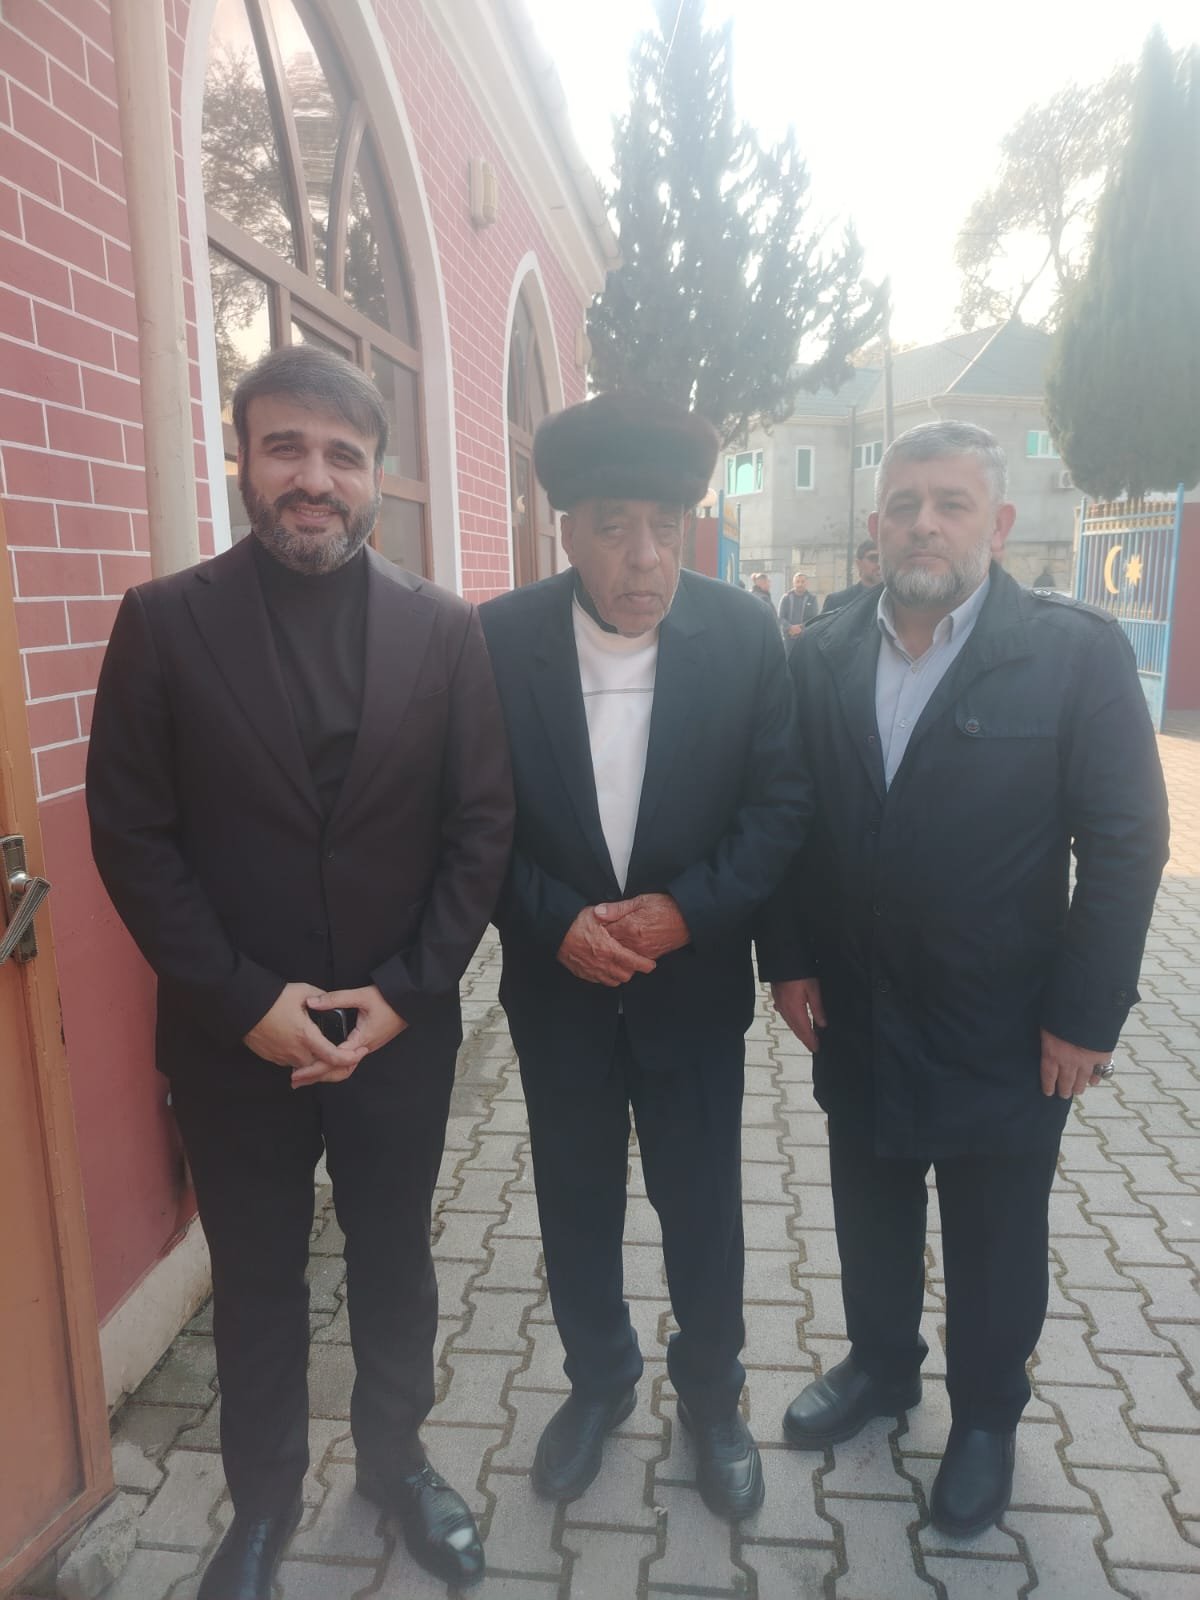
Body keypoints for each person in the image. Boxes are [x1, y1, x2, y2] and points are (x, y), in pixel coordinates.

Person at [86, 346, 514, 1597]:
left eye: (343, 454)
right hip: (233, 1043)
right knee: (258, 1284)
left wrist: (411, 990)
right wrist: (243, 1000)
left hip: (396, 1034)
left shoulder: (446, 631)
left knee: (396, 1266)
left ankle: (396, 1463)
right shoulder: (164, 623)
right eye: (286, 447)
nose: (314, 477)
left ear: (376, 474)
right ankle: (262, 1508)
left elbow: (481, 824)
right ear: (243, 458)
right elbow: (132, 834)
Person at [759, 419, 1168, 1539]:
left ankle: (986, 1417)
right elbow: (790, 817)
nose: (924, 524)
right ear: (877, 523)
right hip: (858, 1005)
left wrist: (1086, 1015)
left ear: (999, 522)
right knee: (870, 1204)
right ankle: (882, 1367)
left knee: (994, 1232)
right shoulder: (823, 651)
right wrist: (786, 958)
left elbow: (1127, 842)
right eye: (905, 505)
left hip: (1007, 1021)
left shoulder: (1072, 655)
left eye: (950, 503)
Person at [480, 392, 810, 1523]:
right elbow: (473, 819)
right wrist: (552, 921)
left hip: (691, 991)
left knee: (702, 1209)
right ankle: (599, 1381)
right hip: (559, 993)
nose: (645, 557)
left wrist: (688, 911)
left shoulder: (744, 635)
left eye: (666, 527)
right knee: (575, 1203)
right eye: (615, 526)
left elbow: (780, 805)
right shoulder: (501, 640)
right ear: (566, 528)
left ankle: (712, 1398)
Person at [822, 538, 881, 612]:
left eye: (884, 559)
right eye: (873, 558)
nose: (879, 564)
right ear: (859, 564)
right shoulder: (837, 602)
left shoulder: (894, 601)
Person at [778, 570, 819, 651]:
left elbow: (815, 618)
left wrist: (801, 628)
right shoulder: (786, 598)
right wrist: (790, 627)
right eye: (797, 581)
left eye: (802, 582)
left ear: (806, 583)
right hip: (788, 638)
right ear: (793, 583)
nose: (800, 584)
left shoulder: (812, 599)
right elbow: (780, 617)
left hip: (805, 638)